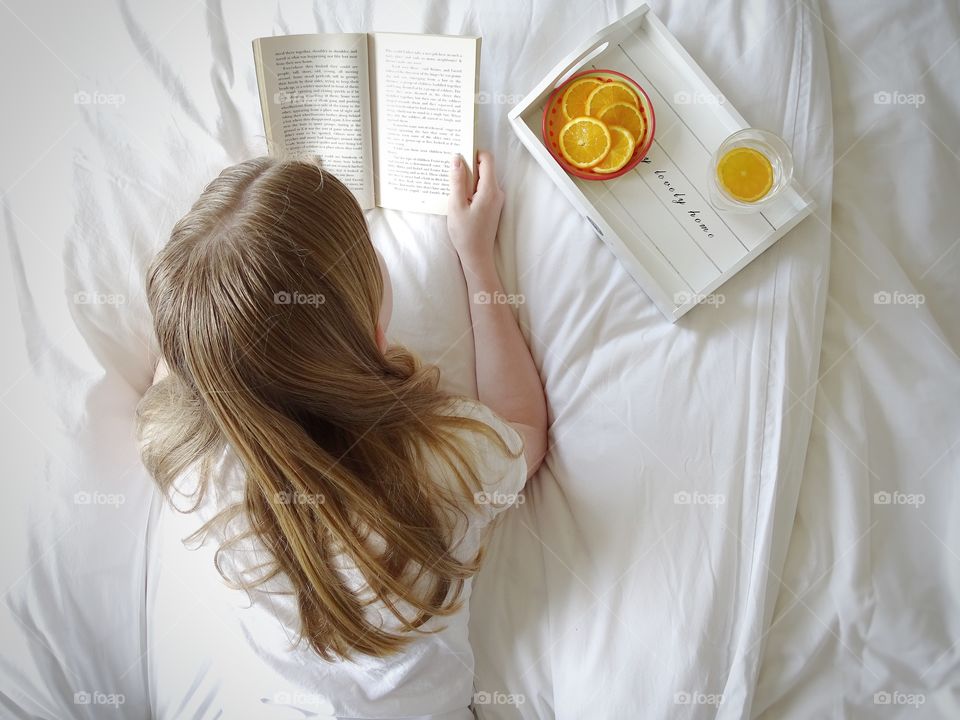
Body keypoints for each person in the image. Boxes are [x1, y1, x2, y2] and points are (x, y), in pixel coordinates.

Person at [137, 151, 548, 718]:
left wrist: (217, 309)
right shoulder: (446, 459)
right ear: (378, 333)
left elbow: (175, 369)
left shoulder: (184, 458)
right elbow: (524, 426)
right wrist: (478, 259)